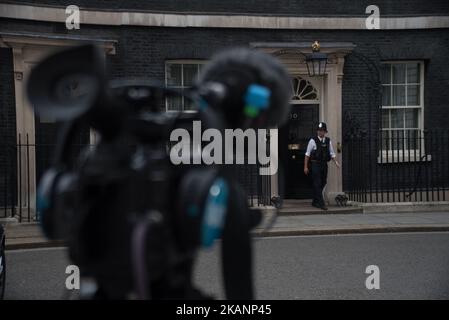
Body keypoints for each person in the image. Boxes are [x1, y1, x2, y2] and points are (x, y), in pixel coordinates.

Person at [304, 122, 340, 210]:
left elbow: (332, 153)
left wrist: (336, 162)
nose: (320, 132)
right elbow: (307, 154)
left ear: (325, 132)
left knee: (323, 182)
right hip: (315, 164)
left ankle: (315, 201)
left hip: (324, 164)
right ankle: (321, 203)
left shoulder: (328, 141)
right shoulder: (313, 140)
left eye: (322, 131)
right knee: (317, 183)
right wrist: (305, 166)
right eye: (319, 130)